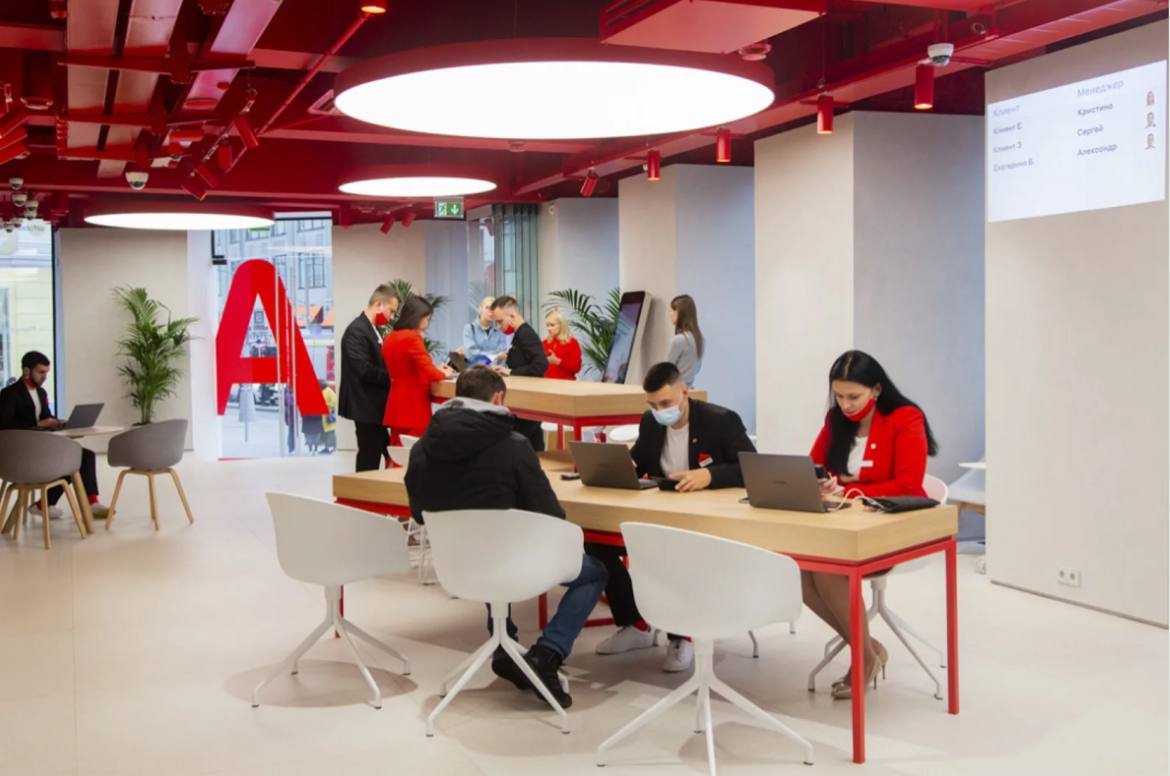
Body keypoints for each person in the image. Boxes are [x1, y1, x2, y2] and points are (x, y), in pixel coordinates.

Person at [404, 366, 607, 709]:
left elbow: (419, 513)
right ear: (498, 398)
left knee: (486, 546)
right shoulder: (513, 446)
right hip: (511, 565)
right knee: (595, 572)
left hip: (459, 567)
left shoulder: (423, 448)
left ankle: (504, 645)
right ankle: (548, 654)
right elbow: (550, 515)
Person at [588, 361, 755, 673]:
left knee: (673, 551)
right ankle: (635, 624)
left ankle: (682, 636)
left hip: (704, 521)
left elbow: (751, 467)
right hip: (659, 512)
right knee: (597, 543)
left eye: (665, 403)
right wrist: (620, 466)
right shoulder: (651, 423)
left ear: (684, 392)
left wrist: (710, 475)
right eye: (652, 405)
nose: (659, 411)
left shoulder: (721, 421)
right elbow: (640, 459)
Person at [804, 350, 939, 699]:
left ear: (876, 390)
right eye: (838, 396)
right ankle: (868, 647)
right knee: (799, 571)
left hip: (894, 529)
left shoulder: (906, 418)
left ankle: (863, 658)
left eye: (854, 396)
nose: (845, 405)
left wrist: (849, 488)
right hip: (844, 526)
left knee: (827, 571)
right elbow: (812, 467)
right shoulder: (836, 420)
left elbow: (908, 484)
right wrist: (820, 484)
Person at [0, 351, 107, 519]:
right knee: (70, 459)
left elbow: (46, 418)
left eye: (47, 372)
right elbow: (5, 424)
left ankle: (91, 503)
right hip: (22, 453)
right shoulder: (9, 393)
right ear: (27, 371)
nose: (45, 376)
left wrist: (58, 423)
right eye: (41, 372)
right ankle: (43, 505)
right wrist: (37, 424)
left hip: (41, 446)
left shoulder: (41, 393)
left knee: (83, 456)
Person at [339, 285, 400, 471]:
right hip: (364, 404)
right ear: (378, 304)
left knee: (383, 451)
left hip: (373, 405)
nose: (391, 317)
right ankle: (363, 488)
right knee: (369, 455)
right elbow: (363, 369)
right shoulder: (356, 331)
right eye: (391, 311)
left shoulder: (372, 329)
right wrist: (393, 377)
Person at [382, 296, 455, 446]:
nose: (428, 323)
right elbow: (430, 372)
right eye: (427, 319)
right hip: (413, 404)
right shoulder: (413, 337)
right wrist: (444, 373)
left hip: (396, 402)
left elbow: (407, 367)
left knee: (396, 449)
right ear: (417, 316)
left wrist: (434, 369)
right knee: (415, 449)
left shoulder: (390, 337)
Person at [491, 295, 549, 450]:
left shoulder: (525, 334)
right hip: (525, 400)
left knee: (514, 445)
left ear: (512, 316)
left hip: (530, 400)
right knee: (534, 446)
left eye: (500, 321)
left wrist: (511, 372)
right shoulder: (518, 334)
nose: (498, 326)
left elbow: (541, 364)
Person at [665, 294, 703, 388]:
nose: (670, 313)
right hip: (690, 389)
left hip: (675, 390)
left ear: (681, 313)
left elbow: (666, 371)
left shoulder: (679, 340)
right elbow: (698, 368)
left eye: (673, 310)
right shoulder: (699, 339)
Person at [461, 296, 508, 366]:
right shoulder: (469, 329)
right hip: (475, 371)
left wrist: (480, 354)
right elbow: (470, 354)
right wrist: (495, 356)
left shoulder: (499, 333)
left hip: (494, 371)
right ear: (480, 309)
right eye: (487, 307)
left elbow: (502, 356)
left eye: (493, 308)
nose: (491, 311)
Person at [542, 308, 582, 381]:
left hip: (566, 384)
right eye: (547, 325)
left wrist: (558, 361)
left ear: (561, 325)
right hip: (546, 383)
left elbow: (577, 367)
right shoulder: (544, 343)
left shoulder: (572, 343)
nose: (549, 328)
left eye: (552, 325)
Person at [321, 381, 337, 454]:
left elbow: (334, 402)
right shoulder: (322, 391)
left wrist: (325, 404)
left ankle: (333, 447)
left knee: (331, 433)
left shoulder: (329, 391)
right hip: (323, 417)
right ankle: (326, 447)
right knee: (325, 433)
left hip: (328, 416)